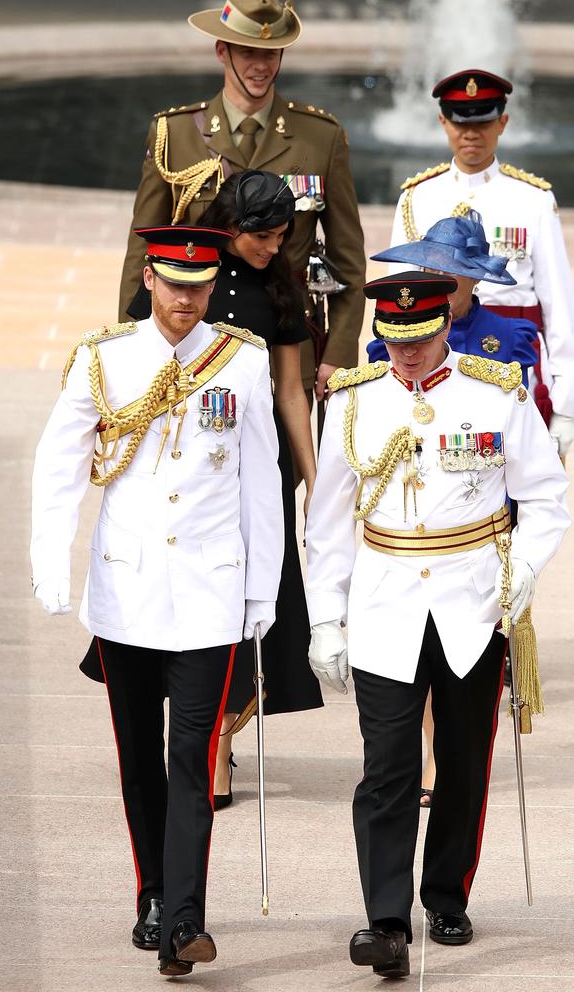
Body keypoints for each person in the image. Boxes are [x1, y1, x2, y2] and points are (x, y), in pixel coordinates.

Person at [31, 226, 284, 977]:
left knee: (192, 758)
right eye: (174, 285)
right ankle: (151, 894)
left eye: (199, 287)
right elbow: (60, 464)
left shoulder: (242, 360)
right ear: (149, 278)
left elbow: (259, 483)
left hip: (210, 591)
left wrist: (262, 585)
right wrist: (52, 561)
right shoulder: (103, 359)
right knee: (140, 756)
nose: (185, 301)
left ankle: (184, 922)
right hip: (127, 589)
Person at [305, 271, 569, 976]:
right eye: (393, 340)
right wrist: (324, 618)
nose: (407, 354)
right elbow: (328, 521)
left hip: (473, 602)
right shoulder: (354, 402)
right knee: (386, 769)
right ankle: (385, 921)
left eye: (419, 338)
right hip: (385, 600)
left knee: (460, 764)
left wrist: (524, 575)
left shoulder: (497, 392)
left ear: (445, 324)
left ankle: (446, 893)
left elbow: (546, 498)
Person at [366, 209, 538, 808]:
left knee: (462, 656)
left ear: (475, 279)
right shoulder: (386, 337)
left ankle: (443, 760)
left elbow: (524, 437)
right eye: (432, 267)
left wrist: (520, 555)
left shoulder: (508, 339)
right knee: (412, 655)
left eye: (455, 272)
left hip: (479, 519)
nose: (442, 278)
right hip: (409, 524)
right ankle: (423, 754)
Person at [119, 0, 366, 404]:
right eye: (249, 51)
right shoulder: (176, 134)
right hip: (192, 341)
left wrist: (338, 354)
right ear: (222, 50)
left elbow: (348, 260)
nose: (261, 65)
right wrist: (134, 341)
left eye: (272, 53)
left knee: (285, 468)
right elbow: (142, 250)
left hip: (286, 348)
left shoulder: (321, 138)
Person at [197, 169, 323, 803]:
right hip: (191, 465)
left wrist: (313, 479)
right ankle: (198, 733)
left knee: (255, 597)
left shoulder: (280, 291)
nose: (274, 248)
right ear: (232, 226)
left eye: (281, 236)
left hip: (258, 463)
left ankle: (219, 746)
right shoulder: (185, 269)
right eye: (263, 237)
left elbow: (291, 391)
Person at [389, 68, 574, 458]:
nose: (471, 133)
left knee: (523, 483)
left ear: (503, 122)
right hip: (434, 350)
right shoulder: (416, 197)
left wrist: (566, 405)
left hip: (515, 354)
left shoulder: (533, 199)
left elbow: (559, 305)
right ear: (443, 121)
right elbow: (399, 296)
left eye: (483, 121)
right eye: (461, 123)